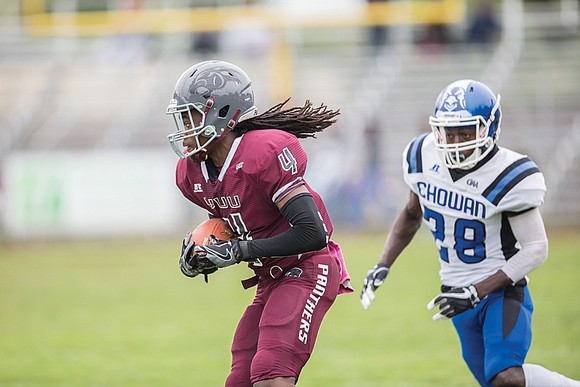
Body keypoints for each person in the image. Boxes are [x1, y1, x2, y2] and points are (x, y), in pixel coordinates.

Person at [360, 79, 580, 387]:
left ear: (489, 129)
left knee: (507, 377)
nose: (456, 142)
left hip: (501, 291)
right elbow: (412, 213)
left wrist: (477, 290)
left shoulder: (508, 174)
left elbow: (536, 248)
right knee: (496, 383)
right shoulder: (423, 155)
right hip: (455, 296)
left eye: (466, 132)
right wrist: (384, 263)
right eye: (450, 133)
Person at [165, 60, 353, 387]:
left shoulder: (262, 154)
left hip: (308, 267)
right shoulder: (192, 174)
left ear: (221, 113)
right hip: (270, 277)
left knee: (272, 372)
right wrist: (205, 252)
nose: (183, 126)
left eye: (190, 115)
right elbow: (228, 222)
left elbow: (313, 233)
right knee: (239, 379)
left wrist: (239, 250)